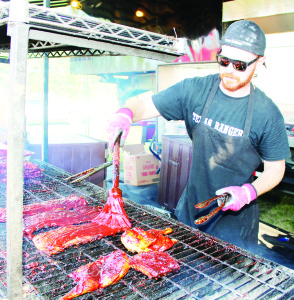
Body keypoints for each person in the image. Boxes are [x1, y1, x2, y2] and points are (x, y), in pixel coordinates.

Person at [106, 20, 291, 251]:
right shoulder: (195, 90)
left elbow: (276, 169)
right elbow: (145, 105)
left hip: (235, 227)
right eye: (224, 61)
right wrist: (126, 113)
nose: (229, 70)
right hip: (190, 211)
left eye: (240, 65)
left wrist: (248, 192)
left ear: (259, 62)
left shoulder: (267, 113)